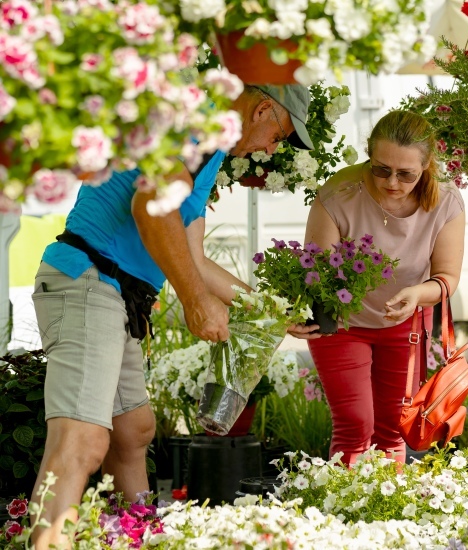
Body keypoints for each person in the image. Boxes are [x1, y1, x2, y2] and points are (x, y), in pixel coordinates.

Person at [30, 83, 319, 550]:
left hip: (116, 295)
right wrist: (194, 301)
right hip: (87, 280)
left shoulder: (210, 152)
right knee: (82, 442)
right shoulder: (196, 125)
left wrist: (270, 312)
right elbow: (150, 209)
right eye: (279, 136)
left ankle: (142, 540)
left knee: (133, 432)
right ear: (263, 108)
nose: (270, 150)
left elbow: (196, 258)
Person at [304, 110, 465, 466]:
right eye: (381, 169)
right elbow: (316, 272)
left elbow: (447, 277)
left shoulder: (446, 202)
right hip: (343, 323)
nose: (392, 182)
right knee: (354, 423)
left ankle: (386, 514)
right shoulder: (339, 193)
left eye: (406, 174)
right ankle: (344, 514)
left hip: (405, 322)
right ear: (369, 156)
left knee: (393, 428)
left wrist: (418, 295)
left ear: (426, 165)